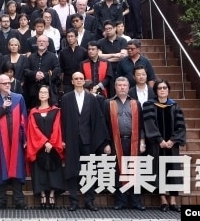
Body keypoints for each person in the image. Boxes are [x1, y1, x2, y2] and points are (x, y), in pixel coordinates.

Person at [60, 72, 110, 212]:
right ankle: (74, 201)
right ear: (72, 81)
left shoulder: (91, 98)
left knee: (89, 170)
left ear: (84, 81)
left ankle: (89, 201)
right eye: (76, 78)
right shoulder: (66, 98)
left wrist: (104, 141)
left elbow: (98, 119)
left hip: (88, 140)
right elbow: (63, 121)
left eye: (81, 79)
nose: (79, 80)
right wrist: (63, 139)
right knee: (72, 170)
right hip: (71, 139)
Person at [143, 79, 186, 213]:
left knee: (173, 171)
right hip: (157, 145)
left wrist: (173, 140)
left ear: (168, 90)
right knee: (159, 170)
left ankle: (173, 201)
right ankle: (163, 200)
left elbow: (180, 126)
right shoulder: (149, 105)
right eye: (159, 88)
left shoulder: (174, 106)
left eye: (164, 88)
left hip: (171, 146)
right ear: (155, 91)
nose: (162, 90)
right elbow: (149, 123)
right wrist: (159, 139)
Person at [104, 77, 146, 211]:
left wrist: (142, 141)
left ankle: (136, 201)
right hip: (116, 142)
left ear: (128, 87)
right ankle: (120, 201)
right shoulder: (108, 103)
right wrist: (106, 143)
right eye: (119, 85)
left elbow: (142, 125)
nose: (122, 87)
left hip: (133, 140)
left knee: (134, 169)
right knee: (118, 171)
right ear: (115, 87)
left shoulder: (135, 103)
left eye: (124, 85)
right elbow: (103, 125)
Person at [0, 74, 28, 210]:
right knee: (2, 169)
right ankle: (1, 201)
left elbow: (23, 118)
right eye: (4, 83)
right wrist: (3, 107)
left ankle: (19, 201)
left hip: (16, 140)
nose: (7, 85)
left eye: (8, 83)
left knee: (17, 168)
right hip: (1, 141)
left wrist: (24, 138)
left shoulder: (19, 98)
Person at [25, 85, 65, 209]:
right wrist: (44, 142)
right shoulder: (33, 111)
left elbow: (57, 128)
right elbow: (33, 129)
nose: (42, 94)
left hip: (53, 145)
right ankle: (42, 194)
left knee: (53, 170)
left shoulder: (56, 110)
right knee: (39, 170)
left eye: (45, 92)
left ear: (49, 95)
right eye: (40, 92)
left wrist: (51, 143)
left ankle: (52, 194)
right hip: (38, 146)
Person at [24, 35, 60, 107]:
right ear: (36, 43)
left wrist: (45, 75)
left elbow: (57, 70)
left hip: (48, 91)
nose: (41, 43)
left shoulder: (53, 57)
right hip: (32, 92)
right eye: (39, 41)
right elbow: (25, 70)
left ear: (48, 44)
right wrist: (35, 74)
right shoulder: (31, 57)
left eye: (43, 41)